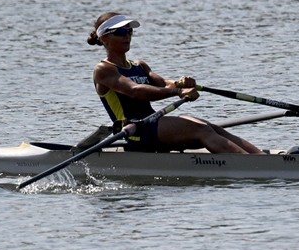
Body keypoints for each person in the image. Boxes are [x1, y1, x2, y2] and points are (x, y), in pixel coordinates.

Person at [89, 12, 264, 154]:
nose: (127, 36)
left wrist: (183, 84)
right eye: (120, 32)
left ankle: (261, 158)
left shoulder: (139, 65)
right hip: (136, 131)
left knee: (210, 127)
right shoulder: (104, 70)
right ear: (104, 38)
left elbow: (164, 84)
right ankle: (253, 167)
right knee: (199, 130)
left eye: (129, 31)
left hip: (153, 124)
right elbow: (135, 91)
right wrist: (178, 93)